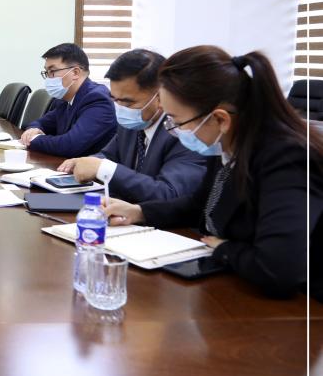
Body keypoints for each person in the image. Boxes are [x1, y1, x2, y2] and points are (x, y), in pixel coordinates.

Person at [104, 46, 321, 300]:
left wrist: (225, 249)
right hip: (237, 282)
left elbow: (279, 268)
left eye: (177, 122)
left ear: (220, 119)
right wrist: (140, 212)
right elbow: (199, 204)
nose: (173, 130)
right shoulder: (227, 144)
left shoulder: (289, 159)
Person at [57, 49, 206, 202]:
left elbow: (168, 193)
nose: (121, 108)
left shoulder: (184, 132)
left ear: (161, 97)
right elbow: (110, 156)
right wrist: (86, 162)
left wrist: (102, 168)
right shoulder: (131, 123)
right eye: (115, 100)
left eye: (128, 102)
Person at [20, 42, 116, 158]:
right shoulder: (65, 99)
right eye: (47, 72)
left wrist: (33, 139)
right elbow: (41, 123)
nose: (48, 78)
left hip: (89, 168)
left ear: (75, 73)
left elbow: (69, 145)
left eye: (52, 71)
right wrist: (33, 129)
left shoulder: (97, 100)